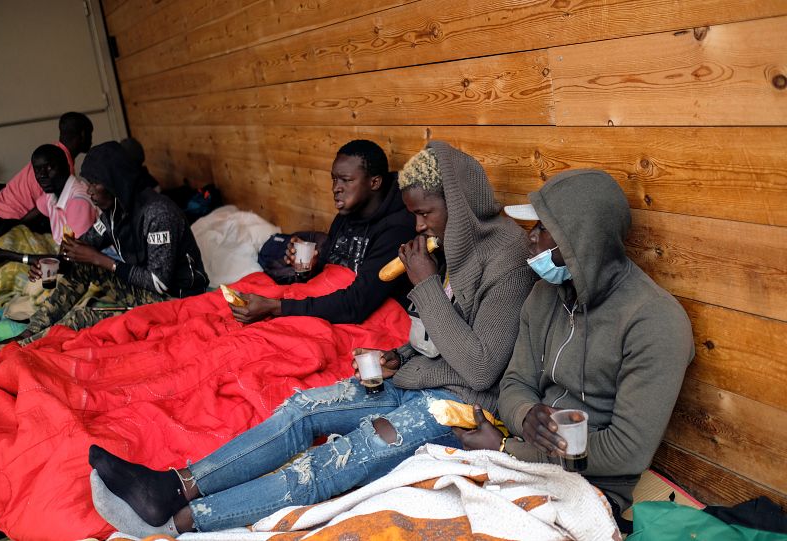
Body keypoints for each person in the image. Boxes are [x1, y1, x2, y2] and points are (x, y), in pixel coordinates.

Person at [87, 140, 536, 536]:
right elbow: (442, 333)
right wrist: (397, 353)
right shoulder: (450, 242)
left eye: (424, 213)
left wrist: (425, 284)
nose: (418, 226)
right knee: (302, 409)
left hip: (459, 406)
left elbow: (481, 368)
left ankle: (179, 522)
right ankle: (174, 487)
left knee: (334, 462)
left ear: (457, 203)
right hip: (417, 379)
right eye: (415, 214)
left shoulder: (506, 259)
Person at [453, 169, 694, 525]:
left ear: (579, 239)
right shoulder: (544, 294)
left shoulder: (654, 321)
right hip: (522, 460)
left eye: (542, 230)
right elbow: (515, 383)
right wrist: (524, 415)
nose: (529, 241)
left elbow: (625, 451)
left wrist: (511, 449)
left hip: (589, 486)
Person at [18, 141, 208, 340]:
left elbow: (159, 282)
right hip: (147, 293)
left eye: (94, 183)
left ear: (114, 181)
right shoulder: (114, 212)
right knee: (84, 266)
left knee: (79, 319)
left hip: (177, 301)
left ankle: (19, 348)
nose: (89, 191)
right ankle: (30, 331)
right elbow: (83, 246)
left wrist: (101, 260)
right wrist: (54, 263)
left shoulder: (157, 213)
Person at [230, 139, 417, 324]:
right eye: (334, 179)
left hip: (364, 316)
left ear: (374, 182)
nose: (336, 188)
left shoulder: (397, 230)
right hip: (326, 300)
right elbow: (329, 269)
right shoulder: (347, 214)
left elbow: (357, 304)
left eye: (346, 180)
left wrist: (276, 307)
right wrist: (306, 268)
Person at [0, 144, 97, 269]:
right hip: (65, 258)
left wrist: (9, 255)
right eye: (37, 170)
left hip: (84, 267)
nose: (42, 175)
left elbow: (71, 262)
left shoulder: (77, 203)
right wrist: (0, 222)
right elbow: (24, 221)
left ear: (67, 166)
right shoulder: (51, 195)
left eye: (49, 168)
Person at [0, 112, 93, 241]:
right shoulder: (60, 166)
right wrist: (16, 224)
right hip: (6, 220)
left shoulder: (49, 153)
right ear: (83, 135)